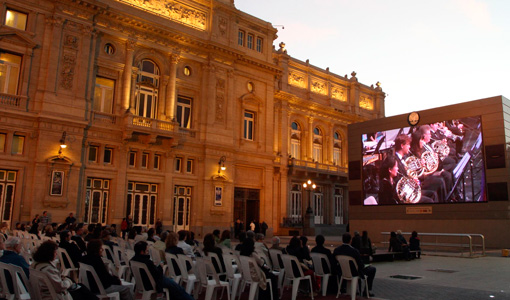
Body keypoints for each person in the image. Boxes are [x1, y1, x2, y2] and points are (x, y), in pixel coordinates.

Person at [32, 240, 98, 300]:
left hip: (46, 294)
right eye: (55, 252)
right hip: (55, 296)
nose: (56, 254)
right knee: (83, 292)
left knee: (81, 287)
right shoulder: (48, 269)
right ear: (49, 254)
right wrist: (68, 281)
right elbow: (61, 287)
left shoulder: (35, 265)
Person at [333, 233, 376, 297]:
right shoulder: (354, 251)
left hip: (343, 272)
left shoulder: (337, 250)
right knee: (372, 269)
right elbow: (360, 265)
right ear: (350, 240)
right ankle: (367, 291)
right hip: (355, 272)